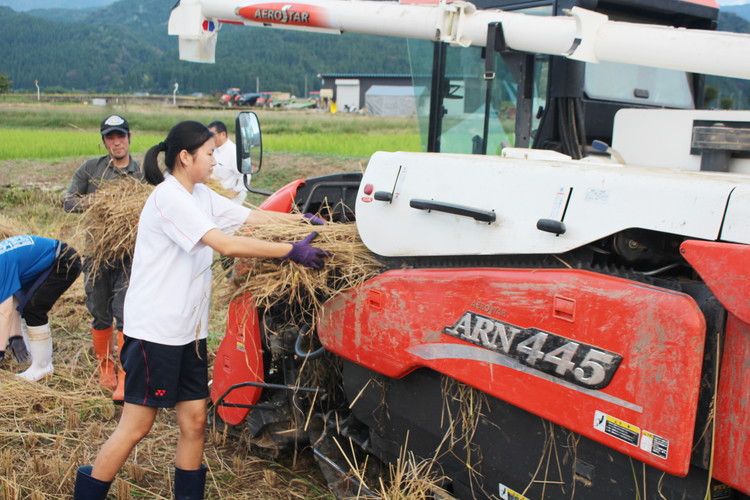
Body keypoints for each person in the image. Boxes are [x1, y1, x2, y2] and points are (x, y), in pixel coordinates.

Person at [73, 121, 328, 500]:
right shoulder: (169, 198)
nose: (213, 160)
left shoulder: (199, 195)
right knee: (137, 426)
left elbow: (250, 217)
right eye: (209, 154)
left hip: (188, 334)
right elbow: (225, 244)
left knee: (194, 422)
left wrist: (302, 221)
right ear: (185, 157)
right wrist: (291, 251)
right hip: (155, 333)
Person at [64, 114, 143, 401]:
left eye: (120, 135)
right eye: (110, 137)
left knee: (126, 314)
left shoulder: (142, 172)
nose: (116, 141)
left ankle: (125, 374)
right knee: (99, 311)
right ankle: (105, 367)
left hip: (129, 256)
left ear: (129, 137)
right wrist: (98, 203)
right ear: (104, 141)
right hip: (97, 255)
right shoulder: (90, 169)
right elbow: (68, 201)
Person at [0, 235, 82, 381]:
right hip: (48, 263)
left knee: (34, 308)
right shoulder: (3, 260)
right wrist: (14, 337)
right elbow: (13, 303)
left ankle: (43, 367)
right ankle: (32, 358)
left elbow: (4, 312)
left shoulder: (1, 265)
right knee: (25, 305)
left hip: (64, 260)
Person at [207, 120, 248, 204]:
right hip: (212, 196)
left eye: (212, 135)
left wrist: (234, 193)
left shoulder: (234, 152)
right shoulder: (212, 150)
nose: (210, 138)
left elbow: (245, 176)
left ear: (223, 134)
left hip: (225, 199)